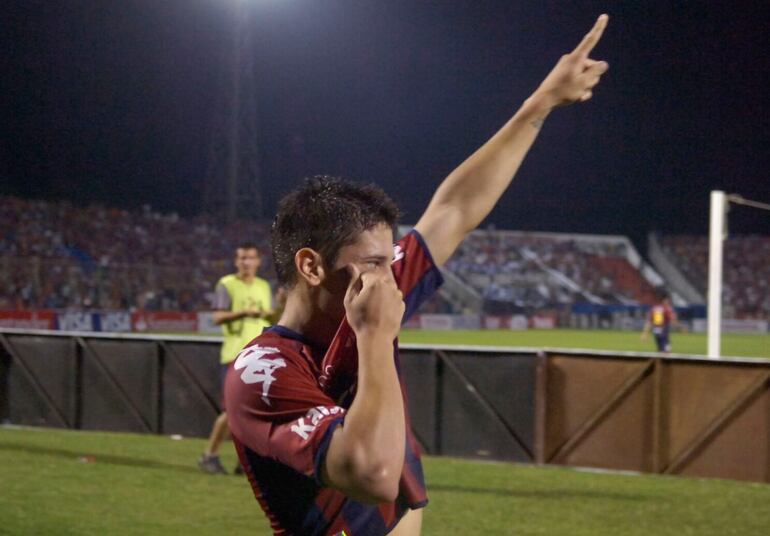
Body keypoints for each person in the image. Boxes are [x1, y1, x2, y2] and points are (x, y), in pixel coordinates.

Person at [225, 14, 610, 534]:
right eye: (375, 264)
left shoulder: (361, 297)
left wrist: (539, 105)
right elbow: (372, 474)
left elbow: (453, 209)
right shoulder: (261, 372)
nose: (390, 277)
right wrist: (377, 334)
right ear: (312, 266)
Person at [198, 243, 274, 474]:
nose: (246, 263)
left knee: (256, 411)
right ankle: (209, 455)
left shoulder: (263, 286)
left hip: (259, 356)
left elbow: (268, 318)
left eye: (250, 258)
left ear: (258, 261)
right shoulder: (226, 284)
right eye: (242, 258)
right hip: (235, 355)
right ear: (236, 261)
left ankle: (245, 462)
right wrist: (244, 313)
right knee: (232, 412)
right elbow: (217, 316)